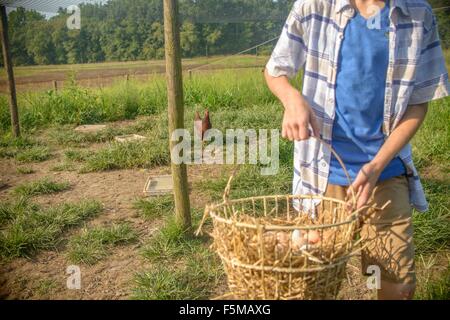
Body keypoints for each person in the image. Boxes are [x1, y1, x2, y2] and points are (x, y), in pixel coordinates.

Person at [265, 0, 449, 299]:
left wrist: (376, 166)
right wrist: (291, 99)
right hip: (322, 177)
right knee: (315, 281)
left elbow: (418, 102)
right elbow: (275, 71)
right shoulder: (313, 7)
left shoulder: (417, 15)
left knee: (396, 285)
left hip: (385, 172)